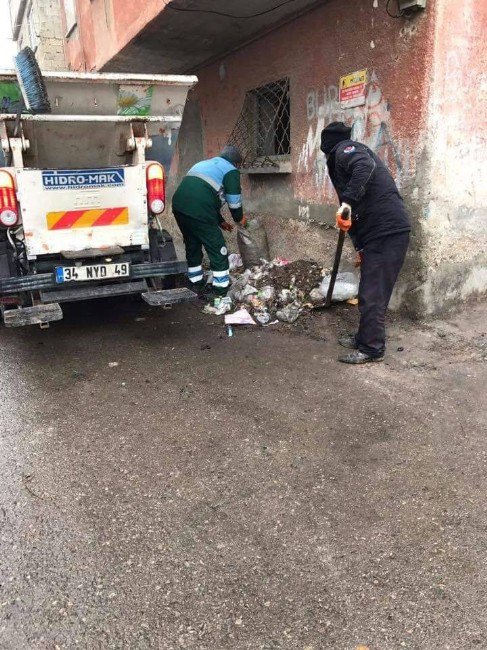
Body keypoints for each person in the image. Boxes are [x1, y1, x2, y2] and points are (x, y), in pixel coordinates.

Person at [320, 122, 411, 364]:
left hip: (387, 232)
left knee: (373, 293)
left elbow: (365, 165)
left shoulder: (346, 149)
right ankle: (364, 338)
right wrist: (359, 248)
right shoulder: (340, 159)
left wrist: (347, 201)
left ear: (326, 142)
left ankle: (372, 349)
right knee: (368, 290)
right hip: (375, 233)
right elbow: (352, 218)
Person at [172, 145, 247, 298]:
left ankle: (195, 282)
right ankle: (220, 289)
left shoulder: (203, 164)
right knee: (217, 246)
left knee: (192, 242)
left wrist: (220, 221)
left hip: (179, 206)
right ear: (236, 163)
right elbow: (234, 200)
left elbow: (204, 195)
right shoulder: (230, 170)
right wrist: (239, 218)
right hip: (199, 209)